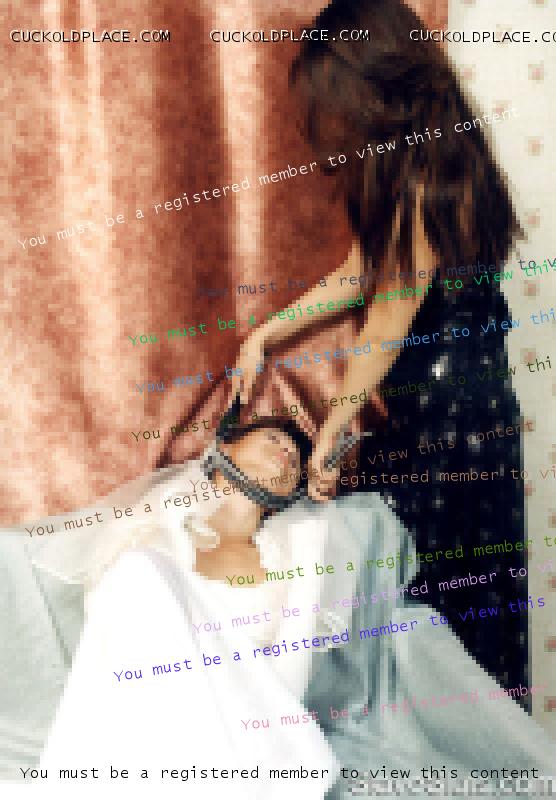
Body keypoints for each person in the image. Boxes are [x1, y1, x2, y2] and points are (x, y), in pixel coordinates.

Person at [10, 417, 552, 799]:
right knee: (137, 573)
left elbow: (293, 676)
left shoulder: (301, 548)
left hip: (258, 730)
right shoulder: (153, 531)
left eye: (295, 454)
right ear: (225, 448)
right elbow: (113, 643)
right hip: (149, 719)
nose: (287, 451)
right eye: (273, 438)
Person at [231, 0, 527, 695]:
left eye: (336, 95)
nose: (332, 117)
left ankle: (451, 747)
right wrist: (268, 333)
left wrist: (333, 428)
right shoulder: (436, 158)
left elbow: (389, 319)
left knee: (437, 615)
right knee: (452, 608)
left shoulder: (423, 183)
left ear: (374, 84)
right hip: (461, 412)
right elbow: (360, 274)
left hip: (448, 428)